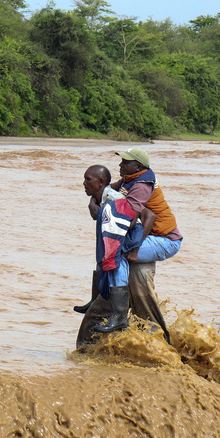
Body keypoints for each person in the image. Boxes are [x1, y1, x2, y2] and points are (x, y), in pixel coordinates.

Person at [76, 165, 169, 348]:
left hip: (132, 243)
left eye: (88, 179)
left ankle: (122, 320)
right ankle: (99, 301)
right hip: (124, 243)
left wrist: (135, 248)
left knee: (113, 257)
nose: (83, 183)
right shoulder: (107, 195)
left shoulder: (114, 197)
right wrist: (94, 205)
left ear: (100, 182)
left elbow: (147, 215)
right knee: (105, 251)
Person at [110, 147, 183, 264]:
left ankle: (118, 283)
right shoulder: (130, 179)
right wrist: (94, 199)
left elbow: (144, 217)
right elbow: (108, 190)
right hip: (152, 236)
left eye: (125, 163)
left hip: (166, 240)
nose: (120, 165)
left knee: (116, 254)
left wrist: (135, 249)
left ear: (138, 167)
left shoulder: (142, 186)